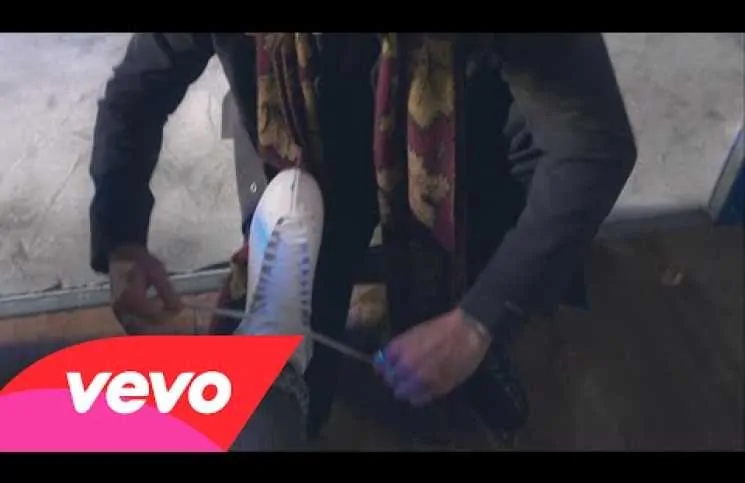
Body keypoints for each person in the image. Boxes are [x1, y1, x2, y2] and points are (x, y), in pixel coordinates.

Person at [89, 33, 637, 449]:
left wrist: (483, 318)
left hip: (460, 124)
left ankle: (471, 333)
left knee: (482, 239)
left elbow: (592, 147)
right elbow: (140, 88)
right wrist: (122, 237)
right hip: (299, 134)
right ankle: (283, 366)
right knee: (280, 364)